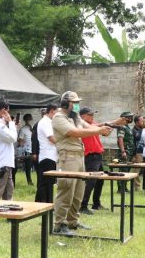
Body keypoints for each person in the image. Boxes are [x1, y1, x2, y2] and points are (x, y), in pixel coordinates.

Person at [52, 91, 112, 235]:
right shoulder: (59, 117)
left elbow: (88, 127)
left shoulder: (75, 116)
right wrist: (99, 131)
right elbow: (75, 133)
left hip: (79, 157)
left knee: (78, 192)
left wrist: (102, 130)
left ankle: (73, 221)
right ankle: (59, 225)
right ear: (66, 103)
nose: (77, 105)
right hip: (68, 158)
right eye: (75, 102)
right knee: (66, 191)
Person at [79, 107, 105, 214]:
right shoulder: (81, 125)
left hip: (97, 154)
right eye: (90, 115)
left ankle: (96, 203)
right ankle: (83, 205)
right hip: (90, 155)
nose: (92, 116)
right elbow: (94, 127)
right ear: (83, 116)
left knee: (100, 180)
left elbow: (102, 130)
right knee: (91, 181)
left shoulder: (93, 123)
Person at [35, 104, 57, 203]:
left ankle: (43, 203)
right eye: (56, 113)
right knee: (46, 184)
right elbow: (52, 138)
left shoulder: (49, 122)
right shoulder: (45, 122)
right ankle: (45, 204)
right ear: (52, 111)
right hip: (47, 156)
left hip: (51, 156)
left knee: (48, 183)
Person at [115, 111, 136, 192]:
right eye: (129, 117)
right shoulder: (122, 127)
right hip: (125, 151)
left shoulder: (127, 127)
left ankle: (125, 187)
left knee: (127, 170)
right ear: (125, 118)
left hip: (129, 152)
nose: (131, 118)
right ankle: (121, 188)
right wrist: (123, 151)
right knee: (122, 169)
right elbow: (120, 139)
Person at [17, 113, 34, 186]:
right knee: (28, 167)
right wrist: (21, 143)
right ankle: (29, 181)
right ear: (25, 120)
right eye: (28, 119)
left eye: (30, 119)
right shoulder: (23, 129)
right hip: (27, 150)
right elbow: (20, 140)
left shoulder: (33, 128)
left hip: (34, 149)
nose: (29, 120)